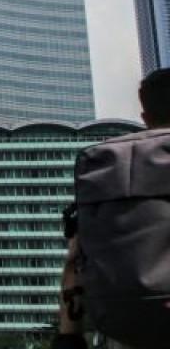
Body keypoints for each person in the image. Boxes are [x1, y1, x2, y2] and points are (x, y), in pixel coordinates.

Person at [52, 68, 170, 349]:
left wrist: (69, 337)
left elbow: (74, 263)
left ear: (145, 117)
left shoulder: (104, 164)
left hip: (126, 328)